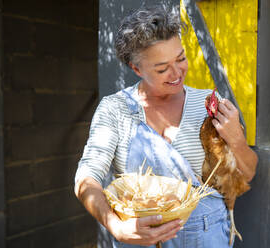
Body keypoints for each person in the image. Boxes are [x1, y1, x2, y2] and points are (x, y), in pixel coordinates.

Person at [74, 5, 257, 248]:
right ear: (136, 69)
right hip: (141, 238)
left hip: (205, 237)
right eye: (162, 68)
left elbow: (248, 173)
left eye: (181, 58)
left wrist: (236, 139)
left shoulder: (208, 105)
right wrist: (116, 227)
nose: (176, 72)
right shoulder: (115, 109)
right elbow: (86, 177)